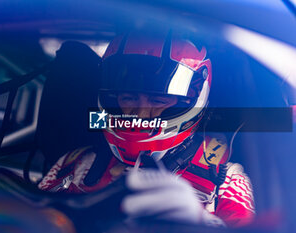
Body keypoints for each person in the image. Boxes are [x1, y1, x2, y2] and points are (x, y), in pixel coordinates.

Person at [38, 30, 255, 228]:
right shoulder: (73, 163)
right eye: (128, 97)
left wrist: (201, 224)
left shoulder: (226, 180)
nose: (140, 113)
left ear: (190, 100)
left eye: (159, 100)